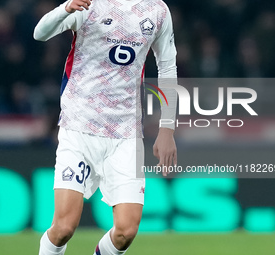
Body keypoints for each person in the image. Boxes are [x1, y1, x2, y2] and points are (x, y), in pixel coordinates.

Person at [33, 0, 178, 254]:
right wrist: (65, 8)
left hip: (126, 134)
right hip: (79, 128)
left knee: (126, 232)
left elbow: (167, 66)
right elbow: (40, 33)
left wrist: (167, 129)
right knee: (64, 228)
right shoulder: (88, 4)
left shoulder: (157, 11)